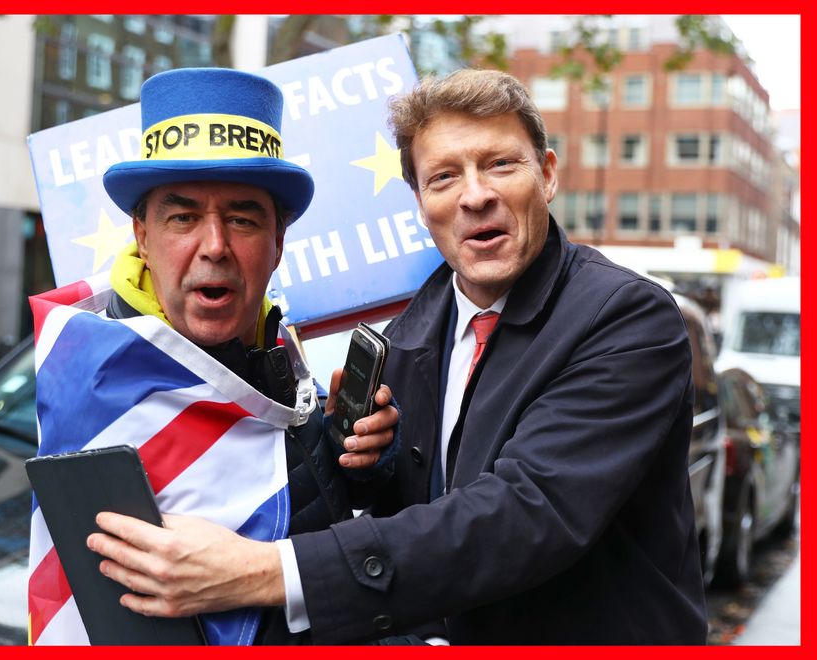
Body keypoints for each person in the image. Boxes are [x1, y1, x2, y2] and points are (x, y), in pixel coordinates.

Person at [88, 68, 707, 645]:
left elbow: (524, 515)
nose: (475, 196)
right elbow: (416, 512)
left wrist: (261, 571)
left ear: (546, 174)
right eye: (443, 177)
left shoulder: (629, 319)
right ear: (419, 201)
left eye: (499, 165)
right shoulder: (410, 330)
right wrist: (365, 462)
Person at [70, 67, 398, 645]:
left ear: (278, 244)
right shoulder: (94, 388)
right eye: (184, 218)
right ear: (141, 236)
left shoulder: (278, 362)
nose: (215, 246)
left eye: (243, 219)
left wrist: (360, 462)